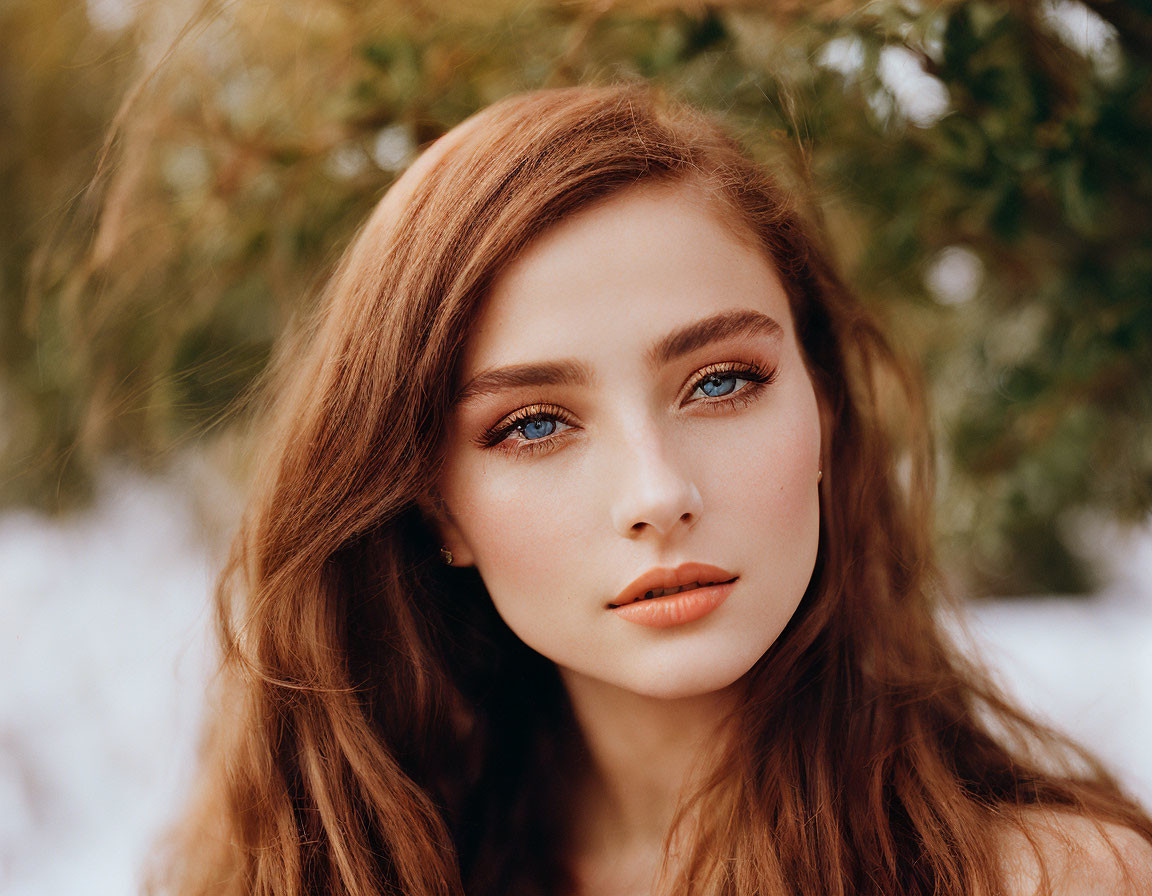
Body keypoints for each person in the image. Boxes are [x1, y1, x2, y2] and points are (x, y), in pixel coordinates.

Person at [157, 83, 1152, 896]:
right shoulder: (323, 871)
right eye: (533, 423)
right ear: (438, 509)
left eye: (722, 382)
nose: (657, 491)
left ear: (827, 414)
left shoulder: (1055, 881)